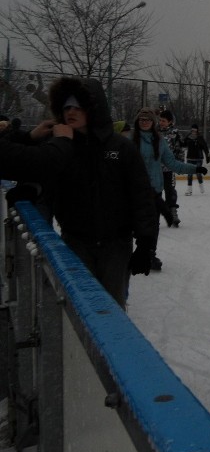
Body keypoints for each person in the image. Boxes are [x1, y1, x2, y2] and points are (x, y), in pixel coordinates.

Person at [1, 77, 158, 309]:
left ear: (92, 108)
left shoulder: (121, 147)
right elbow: (44, 174)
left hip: (115, 244)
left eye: (77, 106)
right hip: (75, 241)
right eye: (66, 107)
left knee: (111, 305)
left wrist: (146, 243)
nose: (71, 112)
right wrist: (30, 189)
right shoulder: (61, 146)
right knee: (79, 307)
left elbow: (142, 196)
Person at [132, 108, 206, 270]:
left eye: (148, 119)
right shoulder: (130, 139)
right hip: (134, 190)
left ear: (153, 122)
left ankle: (150, 254)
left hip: (154, 190)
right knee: (135, 224)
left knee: (153, 224)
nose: (144, 122)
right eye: (141, 119)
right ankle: (134, 253)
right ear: (137, 122)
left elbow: (172, 163)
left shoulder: (159, 140)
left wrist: (194, 169)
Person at [158, 110, 184, 222]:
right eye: (160, 120)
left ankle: (173, 211)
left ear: (170, 122)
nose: (161, 123)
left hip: (169, 168)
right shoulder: (154, 131)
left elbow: (179, 149)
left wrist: (179, 164)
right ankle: (154, 213)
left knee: (170, 190)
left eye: (163, 121)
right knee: (154, 191)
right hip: (155, 168)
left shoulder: (175, 133)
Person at [184, 123, 210, 195]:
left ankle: (201, 186)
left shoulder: (200, 138)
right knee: (189, 174)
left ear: (197, 130)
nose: (193, 130)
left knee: (198, 174)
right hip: (189, 158)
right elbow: (183, 144)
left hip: (198, 159)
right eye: (192, 129)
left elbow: (205, 147)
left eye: (195, 129)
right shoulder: (188, 137)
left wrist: (208, 157)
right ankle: (189, 190)